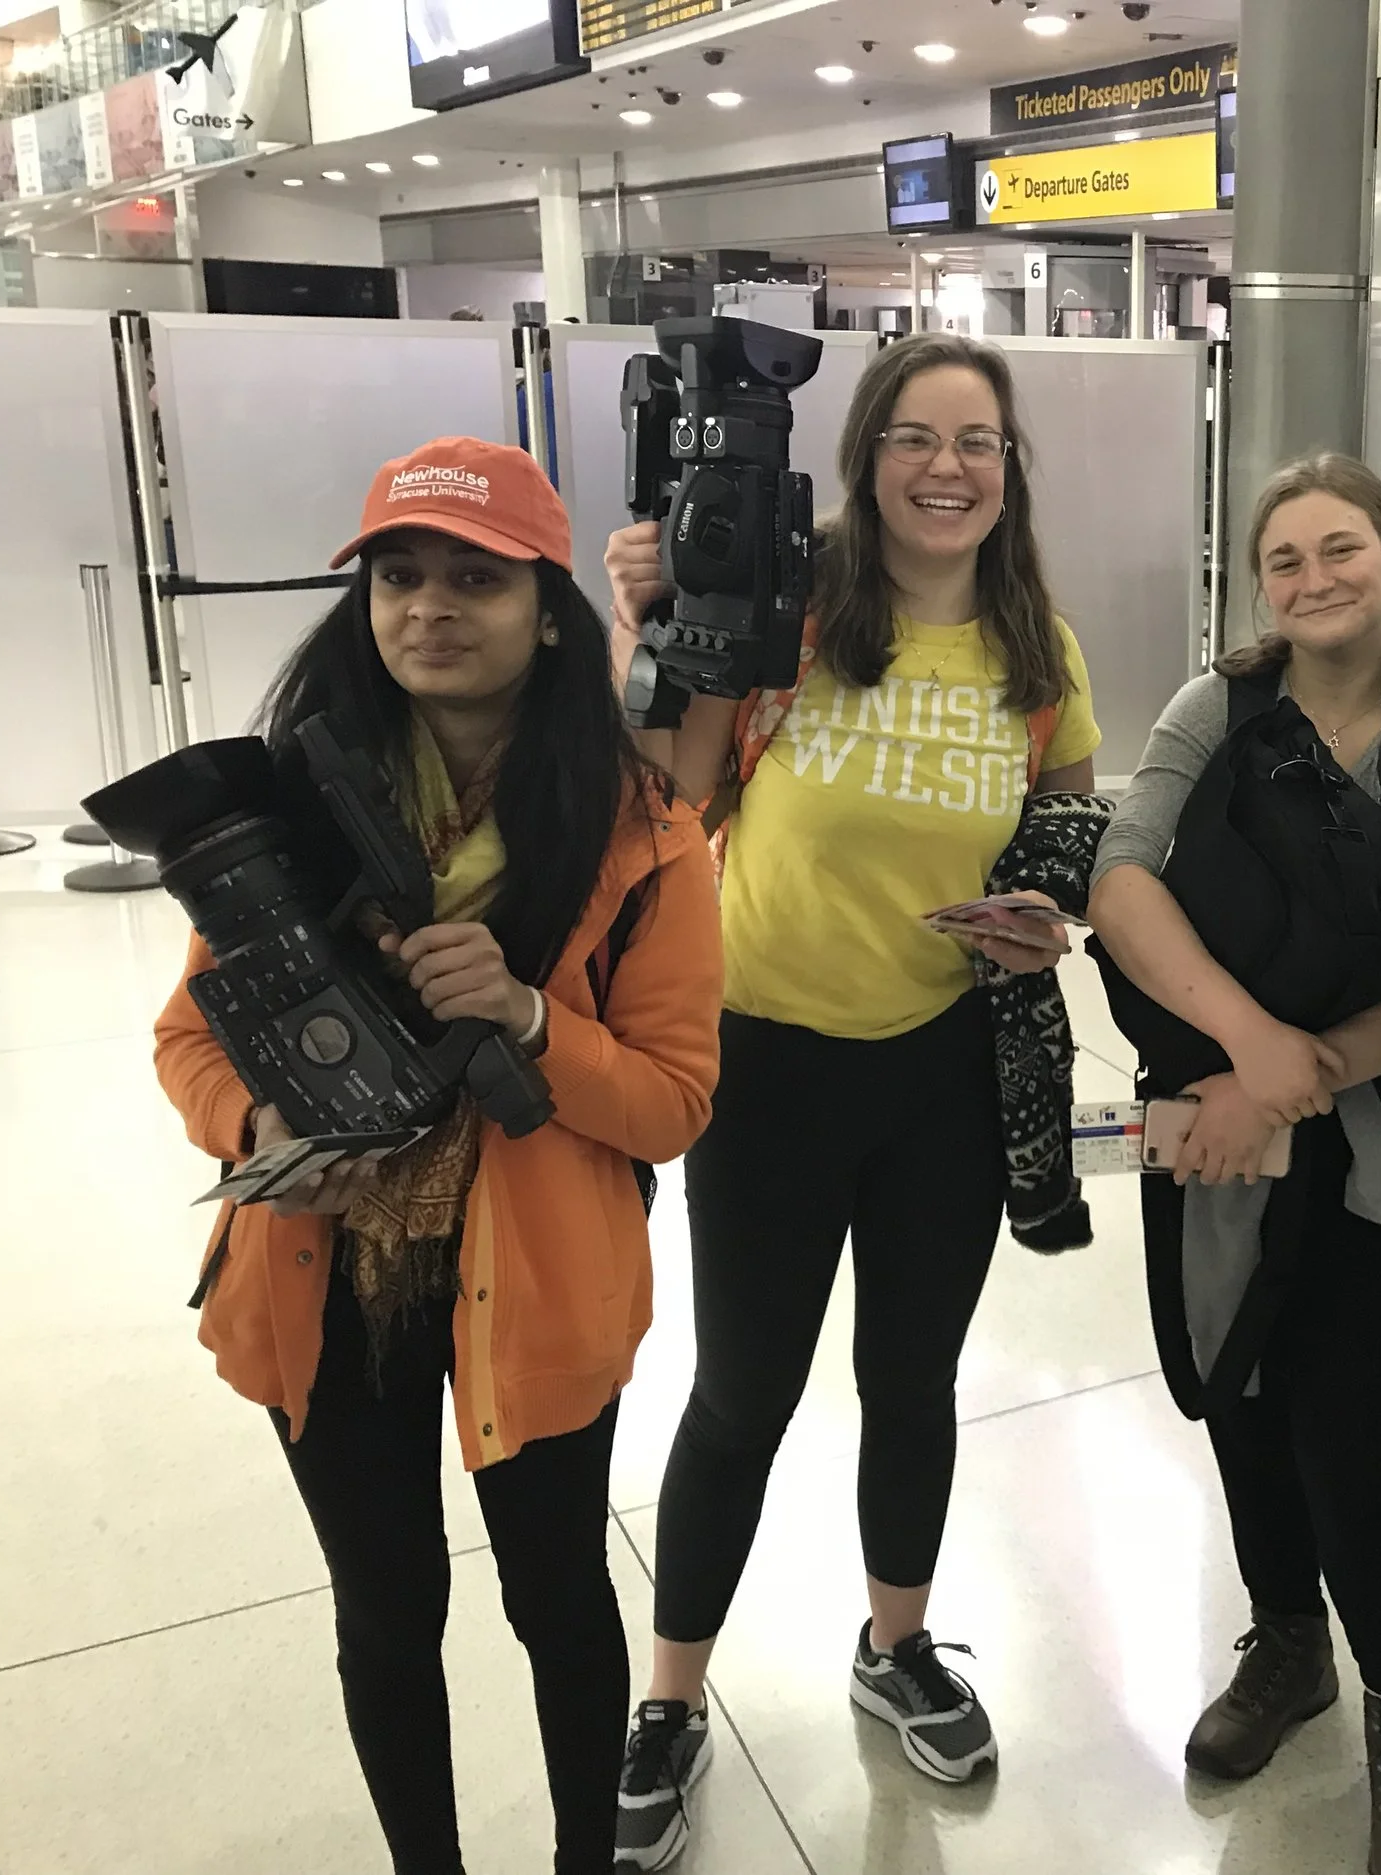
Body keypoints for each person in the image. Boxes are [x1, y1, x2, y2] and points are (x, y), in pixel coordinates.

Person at [154, 437, 725, 1875]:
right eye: (399, 576)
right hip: (323, 1268)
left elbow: (673, 1104)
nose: (429, 608)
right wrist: (261, 1128)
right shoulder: (288, 818)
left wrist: (531, 1018)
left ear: (551, 611)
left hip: (540, 1277)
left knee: (557, 1597)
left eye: (477, 578)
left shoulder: (642, 835)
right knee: (387, 1608)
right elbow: (190, 1035)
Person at [606, 334, 1108, 1870]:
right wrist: (653, 628)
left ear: (1010, 471)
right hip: (767, 1064)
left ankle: (896, 1646)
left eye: (979, 442)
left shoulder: (1037, 649)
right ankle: (668, 1703)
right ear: (866, 457)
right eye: (916, 438)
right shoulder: (791, 619)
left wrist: (1047, 907)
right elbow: (667, 793)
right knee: (742, 1394)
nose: (949, 467)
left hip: (944, 1072)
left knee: (911, 1378)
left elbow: (1068, 813)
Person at [1088, 452, 1381, 1875]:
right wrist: (1250, 1050)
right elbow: (1123, 880)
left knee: (1351, 1445)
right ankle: (1290, 1644)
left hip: (1371, 1151)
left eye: (1341, 549)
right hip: (1212, 1121)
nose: (1316, 580)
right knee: (1240, 1401)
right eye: (1286, 560)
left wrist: (1299, 1081)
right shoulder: (1218, 713)